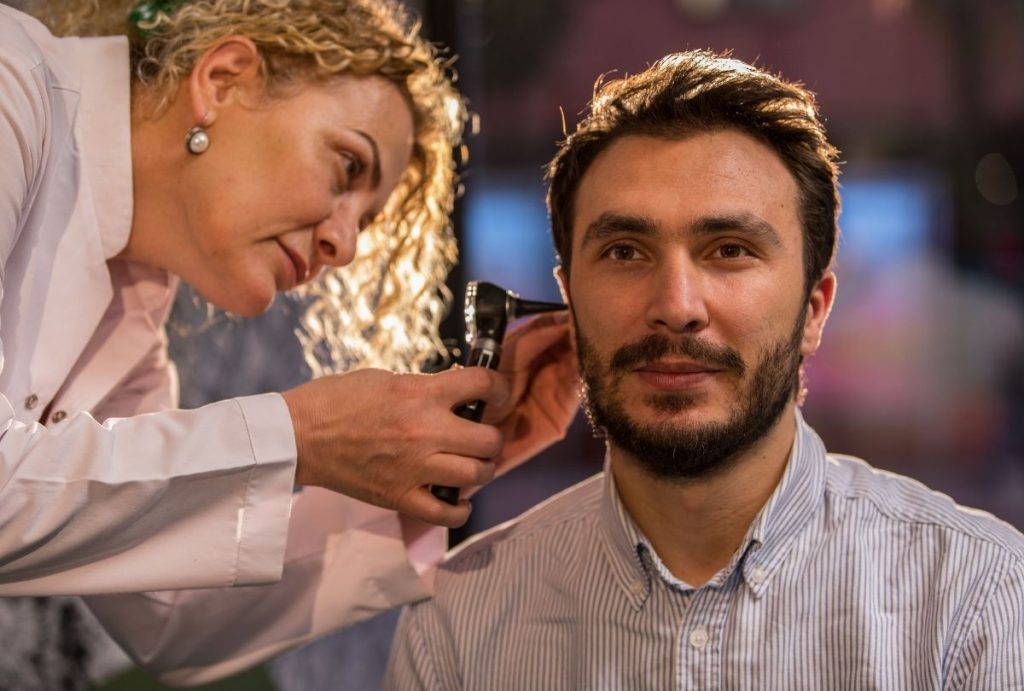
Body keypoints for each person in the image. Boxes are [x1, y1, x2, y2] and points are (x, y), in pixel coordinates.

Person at [385, 50, 1024, 690]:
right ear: (568, 301)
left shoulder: (973, 599)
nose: (676, 307)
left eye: (729, 250)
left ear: (813, 310)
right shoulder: (460, 621)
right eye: (625, 251)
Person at [0, 0, 578, 685]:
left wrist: (459, 456)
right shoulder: (15, 87)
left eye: (366, 219)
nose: (345, 243)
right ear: (224, 79)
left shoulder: (131, 307)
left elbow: (171, 618)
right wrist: (303, 434)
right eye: (346, 168)